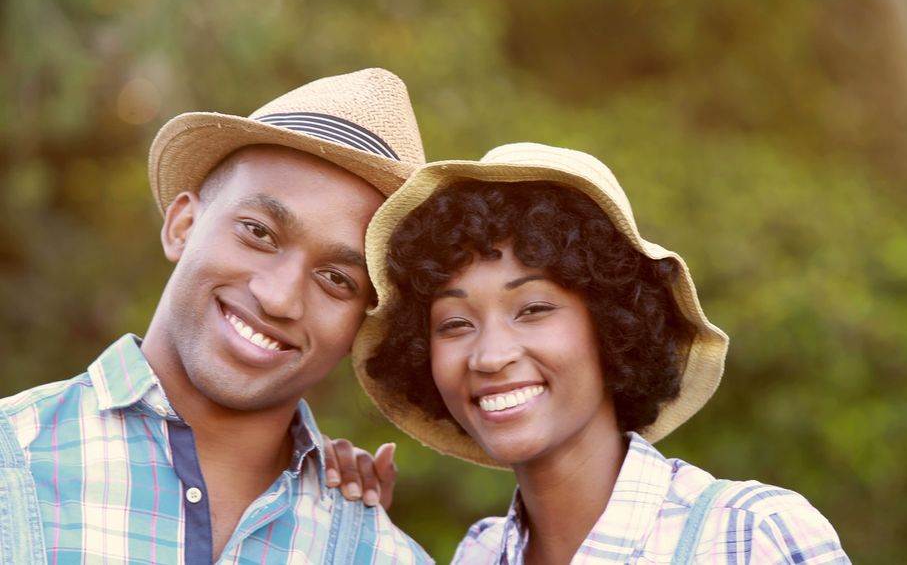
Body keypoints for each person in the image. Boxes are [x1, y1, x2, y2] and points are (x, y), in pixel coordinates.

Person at [0, 68, 432, 564]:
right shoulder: (12, 463)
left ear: (361, 324)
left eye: (338, 279)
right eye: (258, 233)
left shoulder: (380, 555)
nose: (279, 299)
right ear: (183, 225)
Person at [348, 143, 851, 563]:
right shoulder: (478, 554)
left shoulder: (749, 535)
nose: (490, 356)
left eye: (533, 309)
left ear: (613, 327)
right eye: (455, 324)